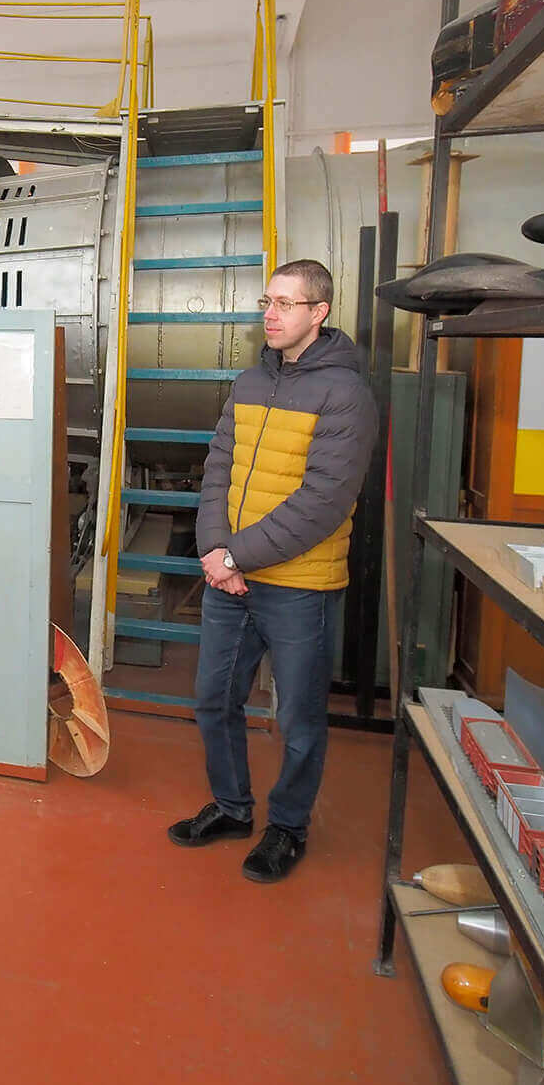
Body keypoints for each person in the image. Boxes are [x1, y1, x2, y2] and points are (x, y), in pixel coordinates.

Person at [169, 259, 377, 885]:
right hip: (230, 578)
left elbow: (323, 501)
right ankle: (232, 807)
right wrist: (215, 549)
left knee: (299, 721)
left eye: (287, 304)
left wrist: (235, 556)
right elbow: (217, 467)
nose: (271, 314)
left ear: (320, 312)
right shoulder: (250, 382)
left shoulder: (346, 395)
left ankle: (288, 828)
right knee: (214, 701)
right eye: (267, 301)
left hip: (299, 586)